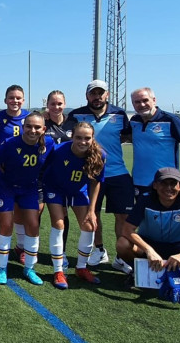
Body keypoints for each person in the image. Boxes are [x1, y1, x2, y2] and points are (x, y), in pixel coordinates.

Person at [65, 79, 133, 274]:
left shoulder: (119, 114)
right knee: (92, 214)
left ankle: (121, 257)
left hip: (117, 172)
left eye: (100, 93)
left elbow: (128, 135)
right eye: (93, 93)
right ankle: (100, 249)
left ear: (107, 95)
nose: (97, 97)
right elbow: (66, 134)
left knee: (123, 216)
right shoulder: (77, 114)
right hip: (90, 175)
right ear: (87, 96)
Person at [116, 167, 180, 295]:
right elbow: (127, 230)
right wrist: (149, 251)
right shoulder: (145, 200)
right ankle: (137, 273)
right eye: (164, 183)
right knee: (122, 244)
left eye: (173, 183)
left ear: (179, 186)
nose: (169, 188)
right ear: (155, 185)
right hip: (149, 244)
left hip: (178, 246)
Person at [0, 112, 54, 285]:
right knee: (6, 224)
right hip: (6, 187)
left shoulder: (48, 143)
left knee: (33, 224)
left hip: (30, 188)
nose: (32, 130)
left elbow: (51, 163)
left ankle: (29, 268)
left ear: (44, 129)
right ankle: (2, 268)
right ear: (22, 127)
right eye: (28, 126)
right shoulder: (10, 144)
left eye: (37, 127)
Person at [43, 122, 106, 288]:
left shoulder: (100, 155)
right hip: (55, 190)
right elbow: (43, 168)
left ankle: (81, 267)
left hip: (78, 191)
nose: (82, 141)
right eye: (79, 137)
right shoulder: (58, 150)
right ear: (72, 136)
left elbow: (95, 183)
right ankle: (58, 271)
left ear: (93, 138)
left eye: (87, 138)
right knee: (59, 224)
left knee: (90, 225)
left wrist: (92, 211)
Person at [129, 87, 180, 196]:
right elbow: (123, 137)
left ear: (154, 100)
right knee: (142, 212)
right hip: (139, 181)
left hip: (166, 180)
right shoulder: (134, 121)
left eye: (145, 100)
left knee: (166, 213)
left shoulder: (170, 119)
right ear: (133, 104)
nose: (141, 104)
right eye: (137, 102)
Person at [0, 84, 31, 263]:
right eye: (11, 97)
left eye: (18, 98)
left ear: (23, 100)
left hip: (26, 174)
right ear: (5, 100)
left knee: (23, 214)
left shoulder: (29, 118)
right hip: (2, 172)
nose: (15, 101)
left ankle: (21, 248)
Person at [42, 90, 72, 270]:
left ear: (64, 104)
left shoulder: (73, 123)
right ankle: (29, 250)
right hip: (41, 176)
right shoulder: (41, 123)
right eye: (52, 104)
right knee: (34, 214)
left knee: (61, 216)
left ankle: (62, 252)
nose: (56, 107)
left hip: (63, 179)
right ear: (47, 105)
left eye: (59, 103)